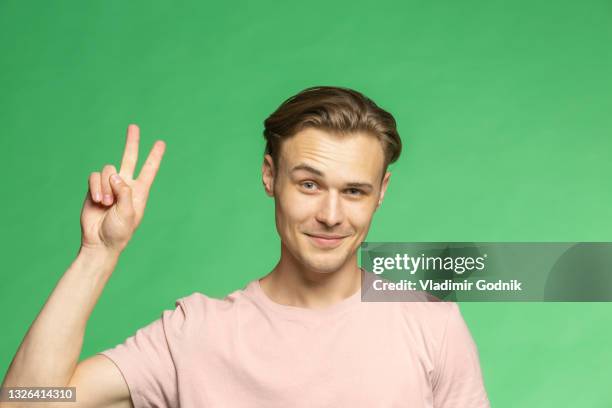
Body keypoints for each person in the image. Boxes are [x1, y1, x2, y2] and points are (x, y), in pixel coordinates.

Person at [1, 86, 490, 407]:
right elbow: (26, 402)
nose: (332, 215)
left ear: (381, 192)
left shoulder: (432, 326)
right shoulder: (195, 334)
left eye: (355, 191)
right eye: (309, 185)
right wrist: (97, 254)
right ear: (269, 176)